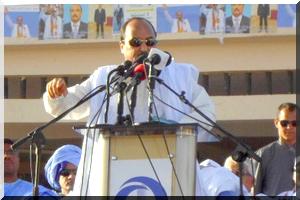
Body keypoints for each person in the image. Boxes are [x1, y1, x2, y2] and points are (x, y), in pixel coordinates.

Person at [43, 17, 216, 195]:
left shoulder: (180, 76)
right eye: (135, 42)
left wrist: (175, 131)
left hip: (169, 171)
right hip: (114, 176)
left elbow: (205, 112)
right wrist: (56, 94)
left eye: (149, 42)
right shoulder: (105, 78)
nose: (143, 48)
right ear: (122, 45)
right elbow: (67, 105)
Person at [252, 102, 297, 196]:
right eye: (284, 123)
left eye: (295, 123)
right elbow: (254, 192)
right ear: (276, 123)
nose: (289, 127)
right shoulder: (263, 155)